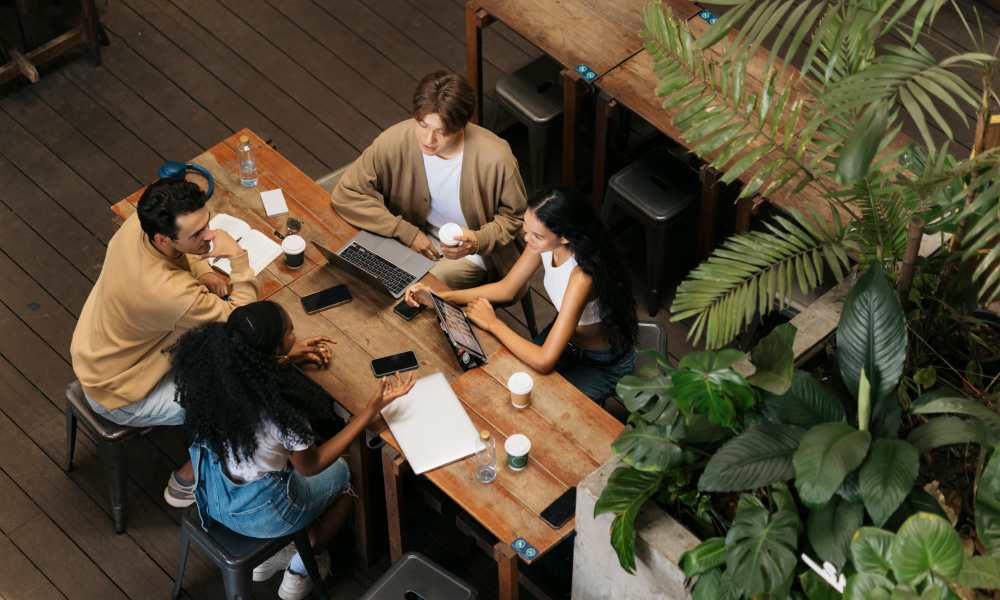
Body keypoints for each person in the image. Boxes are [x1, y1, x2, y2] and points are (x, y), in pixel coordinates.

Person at [170, 301, 414, 600]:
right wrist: (367, 413)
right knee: (348, 473)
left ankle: (269, 556)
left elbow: (253, 375)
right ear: (273, 347)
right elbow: (310, 466)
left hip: (216, 499)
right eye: (289, 331)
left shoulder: (217, 381)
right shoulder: (283, 417)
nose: (294, 333)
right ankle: (302, 565)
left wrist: (282, 358)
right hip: (265, 513)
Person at [70, 177, 259, 508]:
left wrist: (202, 268)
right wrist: (239, 259)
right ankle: (187, 479)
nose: (211, 236)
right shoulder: (169, 293)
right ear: (163, 238)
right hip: (120, 391)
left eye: (207, 225)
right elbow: (240, 317)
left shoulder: (137, 226)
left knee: (213, 351)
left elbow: (180, 256)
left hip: (98, 354)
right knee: (238, 396)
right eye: (197, 235)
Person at [406, 188, 638, 401]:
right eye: (526, 229)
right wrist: (441, 297)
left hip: (599, 363)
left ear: (565, 237)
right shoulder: (544, 242)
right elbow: (508, 288)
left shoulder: (581, 277)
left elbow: (544, 360)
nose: (527, 238)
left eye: (536, 235)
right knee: (508, 386)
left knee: (543, 408)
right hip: (565, 342)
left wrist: (492, 323)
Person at [331, 70, 527, 290]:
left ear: (461, 126)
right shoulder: (396, 140)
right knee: (363, 271)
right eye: (423, 125)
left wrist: (477, 240)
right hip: (412, 238)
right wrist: (406, 232)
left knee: (414, 288)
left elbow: (514, 218)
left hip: (472, 253)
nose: (428, 140)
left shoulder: (496, 158)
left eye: (441, 132)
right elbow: (346, 193)